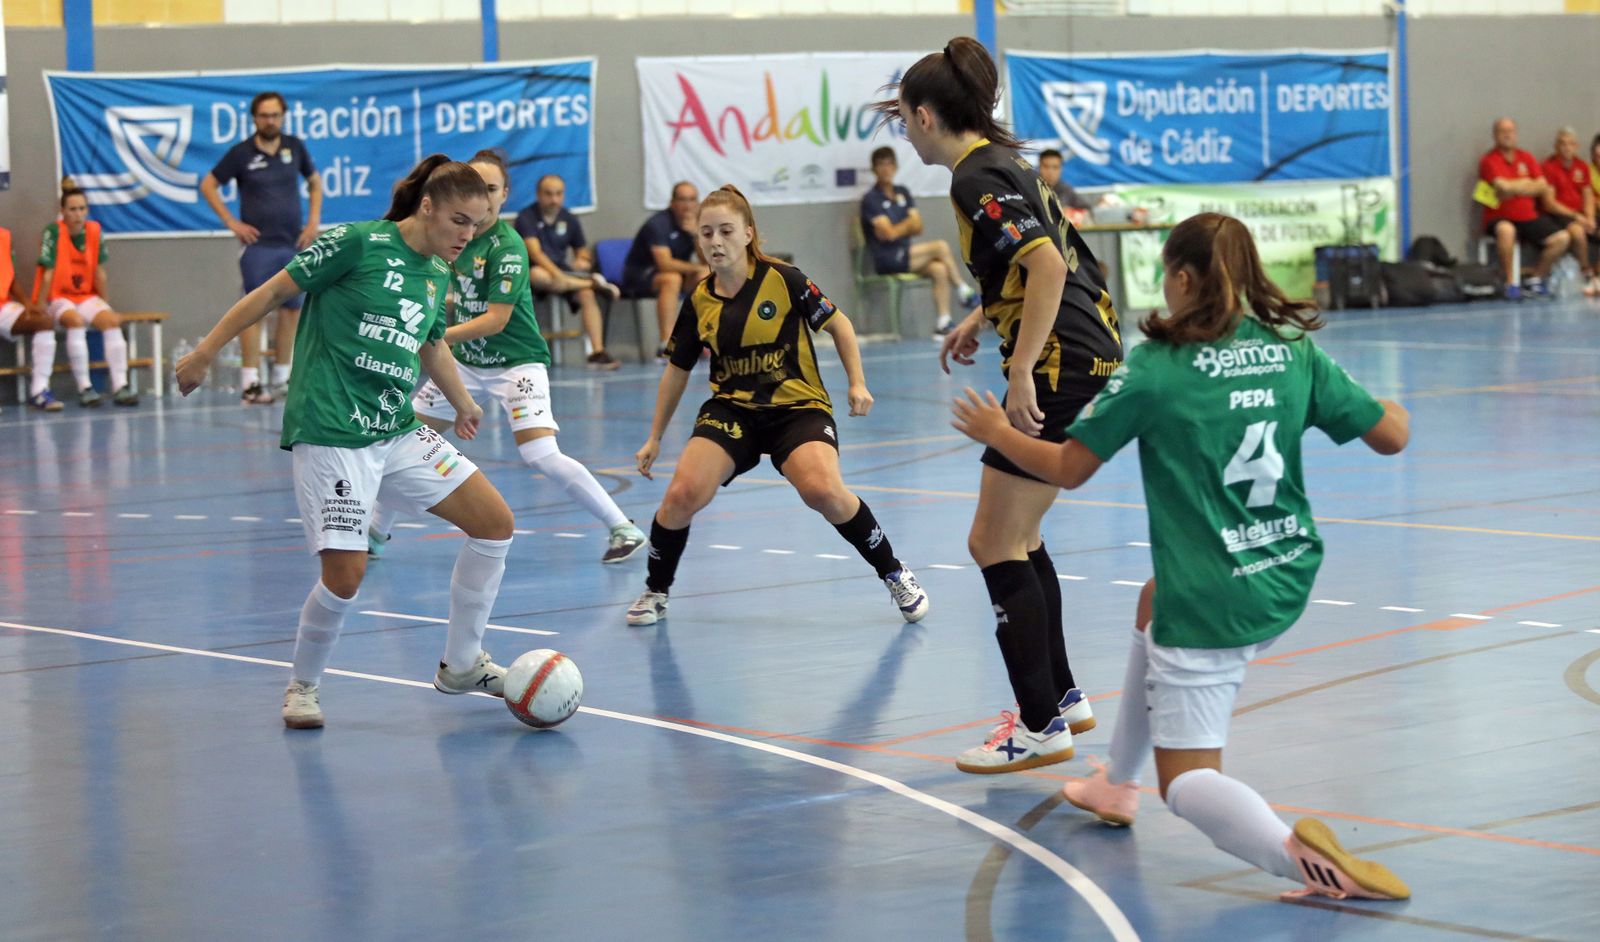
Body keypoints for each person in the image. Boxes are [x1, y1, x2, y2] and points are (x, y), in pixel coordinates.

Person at [951, 211, 1413, 902]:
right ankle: (1115, 781)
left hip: (1215, 598)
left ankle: (1310, 866)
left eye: (1168, 275)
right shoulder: (1290, 348)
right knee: (1151, 600)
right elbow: (1393, 435)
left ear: (1185, 278)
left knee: (1190, 783)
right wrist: (1380, 403)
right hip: (1284, 570)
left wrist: (995, 429)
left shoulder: (1157, 371)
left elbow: (1068, 467)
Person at [174, 156, 517, 730]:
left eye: (477, 226)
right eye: (459, 220)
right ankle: (302, 686)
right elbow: (268, 293)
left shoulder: (436, 272)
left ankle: (461, 664)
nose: (467, 235)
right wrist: (206, 351)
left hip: (396, 428)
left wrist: (462, 402)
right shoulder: (355, 244)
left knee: (494, 523)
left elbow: (431, 345)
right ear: (427, 206)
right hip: (333, 431)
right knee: (346, 576)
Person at [879, 37, 1123, 774]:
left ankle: (1040, 725)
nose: (904, 130)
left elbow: (1048, 264)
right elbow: (1062, 257)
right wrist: (984, 315)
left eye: (904, 118)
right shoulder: (1005, 163)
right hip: (1091, 346)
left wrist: (1020, 369)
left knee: (992, 541)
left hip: (1060, 360)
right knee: (1022, 534)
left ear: (926, 116)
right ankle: (1065, 698)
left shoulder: (974, 175)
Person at [626, 184, 928, 628]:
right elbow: (677, 369)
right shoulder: (699, 301)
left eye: (725, 230)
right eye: (705, 233)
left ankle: (894, 572)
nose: (714, 241)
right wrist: (654, 436)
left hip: (797, 408)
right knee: (680, 496)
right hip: (733, 412)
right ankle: (656, 589)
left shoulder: (784, 280)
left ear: (748, 233)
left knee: (823, 491)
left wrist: (857, 383)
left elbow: (840, 325)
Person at [373, 151, 646, 564]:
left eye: (491, 189)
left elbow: (496, 320)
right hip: (465, 361)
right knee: (406, 439)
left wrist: (432, 337)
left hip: (515, 362)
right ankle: (376, 531)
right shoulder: (453, 234)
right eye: (474, 187)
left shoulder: (508, 247)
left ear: (504, 195)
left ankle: (621, 526)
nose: (481, 197)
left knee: (540, 454)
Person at [200, 90, 323, 403]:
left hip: (291, 243)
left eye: (276, 115)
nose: (270, 121)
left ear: (283, 117)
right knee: (252, 312)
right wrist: (232, 222)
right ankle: (251, 383)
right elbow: (209, 184)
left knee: (292, 311)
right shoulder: (241, 153)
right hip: (259, 247)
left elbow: (315, 182)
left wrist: (312, 223)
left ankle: (283, 378)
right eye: (264, 115)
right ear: (254, 118)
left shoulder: (294, 147)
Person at [35, 187, 138, 407]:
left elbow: (100, 272)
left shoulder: (94, 231)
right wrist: (40, 305)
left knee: (111, 321)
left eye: (82, 209)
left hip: (86, 295)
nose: (78, 214)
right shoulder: (53, 232)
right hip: (59, 297)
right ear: (62, 211)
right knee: (76, 321)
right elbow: (47, 273)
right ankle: (85, 387)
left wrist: (104, 304)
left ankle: (120, 385)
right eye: (72, 209)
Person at [859, 146, 975, 336]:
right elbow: (888, 233)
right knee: (940, 247)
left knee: (939, 269)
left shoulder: (902, 192)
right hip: (886, 259)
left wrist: (898, 228)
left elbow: (918, 227)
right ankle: (962, 289)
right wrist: (906, 225)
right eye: (881, 165)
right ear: (874, 169)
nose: (886, 169)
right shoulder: (871, 199)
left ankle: (943, 322)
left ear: (895, 167)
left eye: (889, 164)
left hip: (906, 254)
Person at [513, 173, 621, 370]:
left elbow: (582, 251)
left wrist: (583, 261)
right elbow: (535, 254)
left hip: (565, 276)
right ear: (538, 195)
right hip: (535, 274)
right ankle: (594, 283)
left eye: (558, 194)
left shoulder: (569, 218)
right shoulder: (526, 217)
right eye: (548, 194)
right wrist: (559, 276)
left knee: (587, 295)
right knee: (539, 274)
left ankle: (597, 351)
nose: (554, 199)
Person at [1479, 118, 1578, 299]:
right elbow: (1502, 187)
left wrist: (1516, 187)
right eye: (1503, 131)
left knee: (1562, 238)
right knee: (1507, 230)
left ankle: (1535, 279)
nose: (1508, 134)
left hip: (1528, 217)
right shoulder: (1489, 160)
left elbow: (1541, 186)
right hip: (1500, 216)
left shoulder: (1526, 157)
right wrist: (1526, 185)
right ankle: (1511, 283)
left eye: (1511, 130)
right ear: (1495, 135)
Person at [622, 181, 708, 359]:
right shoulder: (658, 224)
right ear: (672, 202)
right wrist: (697, 267)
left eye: (692, 200)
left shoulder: (697, 223)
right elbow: (665, 264)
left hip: (675, 273)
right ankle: (666, 344)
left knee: (706, 275)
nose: (688, 205)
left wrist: (696, 235)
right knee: (672, 278)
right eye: (683, 200)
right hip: (640, 275)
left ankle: (700, 338)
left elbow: (705, 261)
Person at [0, 225, 62, 411]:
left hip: (3, 306)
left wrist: (27, 304)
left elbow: (9, 277)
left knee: (43, 321)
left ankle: (39, 391)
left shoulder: (4, 236)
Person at [1540, 127, 1598, 296]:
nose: (1567, 147)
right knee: (1578, 233)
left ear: (1576, 146)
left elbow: (1587, 195)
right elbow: (1549, 203)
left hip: (1580, 215)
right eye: (1563, 144)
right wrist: (1577, 217)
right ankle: (1587, 272)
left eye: (1571, 144)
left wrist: (1590, 217)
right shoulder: (1548, 166)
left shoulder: (1582, 166)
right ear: (1556, 146)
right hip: (1559, 215)